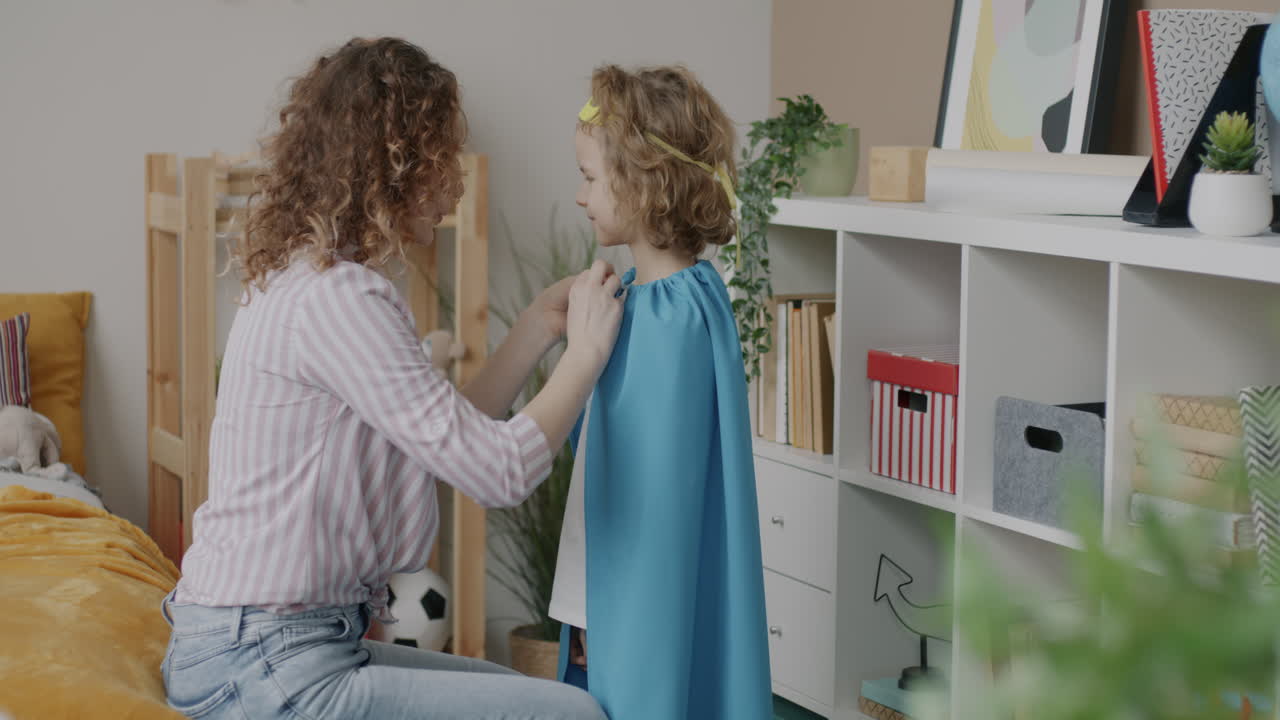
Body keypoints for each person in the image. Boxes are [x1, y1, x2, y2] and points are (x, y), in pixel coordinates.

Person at [161, 37, 619, 720]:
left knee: (544, 701)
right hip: (262, 661)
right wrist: (584, 357)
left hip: (261, 645)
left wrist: (535, 330)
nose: (457, 183)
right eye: (443, 159)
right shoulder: (341, 299)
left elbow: (442, 437)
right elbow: (498, 472)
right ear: (393, 163)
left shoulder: (309, 277)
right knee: (572, 716)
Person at [549, 64, 773, 720]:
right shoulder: (674, 300)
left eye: (591, 178)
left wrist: (602, 615)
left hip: (631, 594)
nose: (584, 196)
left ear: (641, 183)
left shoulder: (665, 316)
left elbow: (652, 498)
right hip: (614, 585)